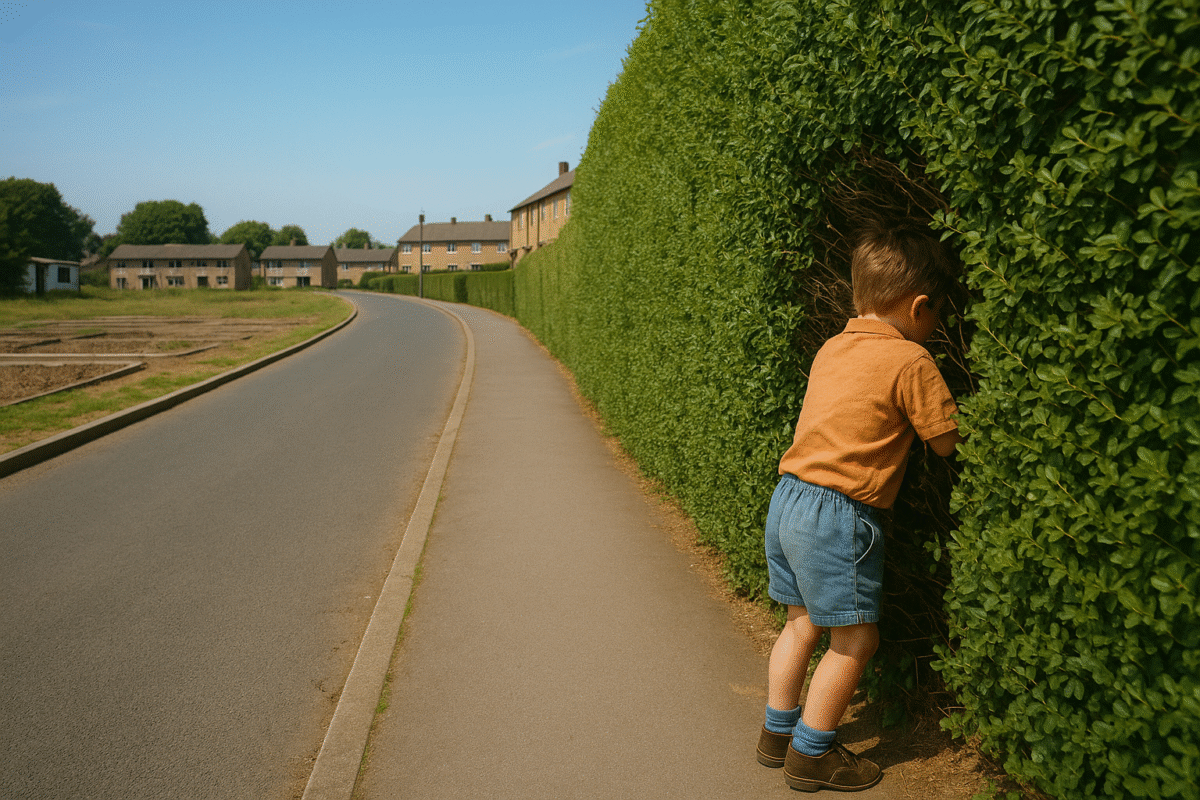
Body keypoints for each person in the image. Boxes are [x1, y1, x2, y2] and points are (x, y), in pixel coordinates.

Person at [755, 224, 964, 792]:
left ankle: (777, 735)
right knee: (855, 640)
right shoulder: (910, 360)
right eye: (938, 313)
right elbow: (946, 441)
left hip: (788, 497)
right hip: (838, 514)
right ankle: (812, 754)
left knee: (801, 624)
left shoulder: (831, 347)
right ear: (920, 306)